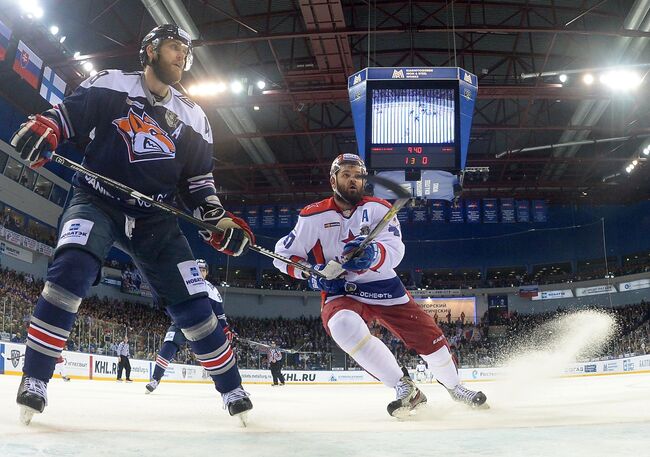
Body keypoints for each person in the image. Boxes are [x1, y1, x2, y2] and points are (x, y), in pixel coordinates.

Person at [10, 24, 254, 425]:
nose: (181, 55)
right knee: (72, 269)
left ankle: (232, 389)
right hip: (96, 198)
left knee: (194, 304)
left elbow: (199, 184)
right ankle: (35, 380)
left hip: (155, 218)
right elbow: (67, 115)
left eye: (185, 50)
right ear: (150, 50)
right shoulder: (111, 84)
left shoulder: (194, 116)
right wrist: (49, 128)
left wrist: (215, 216)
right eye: (174, 46)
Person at [273, 153, 487, 418]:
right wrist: (311, 273)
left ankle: (455, 387)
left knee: (428, 338)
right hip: (340, 291)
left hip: (383, 286)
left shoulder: (379, 208)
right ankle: (404, 386)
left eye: (358, 176)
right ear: (333, 180)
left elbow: (395, 252)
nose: (353, 181)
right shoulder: (313, 215)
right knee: (341, 325)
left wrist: (373, 255)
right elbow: (283, 255)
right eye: (346, 175)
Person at [146, 259, 235, 393]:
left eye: (203, 270)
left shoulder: (210, 288)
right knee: (169, 345)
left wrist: (225, 329)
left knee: (213, 354)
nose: (200, 272)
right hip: (181, 322)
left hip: (203, 327)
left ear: (206, 273)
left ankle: (226, 386)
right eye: (198, 269)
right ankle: (155, 379)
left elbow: (219, 313)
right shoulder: (182, 283)